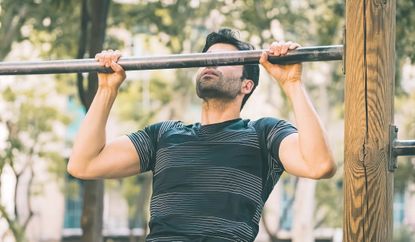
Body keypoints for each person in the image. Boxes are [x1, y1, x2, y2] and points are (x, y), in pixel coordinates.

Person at [68, 28, 336, 241]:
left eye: (224, 60)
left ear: (247, 84)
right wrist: (106, 89)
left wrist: (292, 84)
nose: (211, 63)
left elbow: (319, 164)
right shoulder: (164, 135)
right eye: (206, 59)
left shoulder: (264, 133)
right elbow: (84, 164)